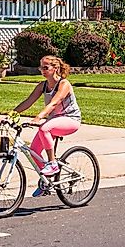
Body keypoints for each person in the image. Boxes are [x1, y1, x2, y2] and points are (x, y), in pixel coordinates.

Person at [12, 55, 82, 193]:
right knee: (34, 151)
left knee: (44, 128)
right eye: (41, 68)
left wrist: (39, 117)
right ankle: (48, 181)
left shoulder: (64, 84)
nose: (42, 71)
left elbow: (54, 103)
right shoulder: (42, 85)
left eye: (45, 68)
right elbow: (28, 101)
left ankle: (53, 164)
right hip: (54, 120)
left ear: (55, 68)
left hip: (70, 119)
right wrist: (11, 114)